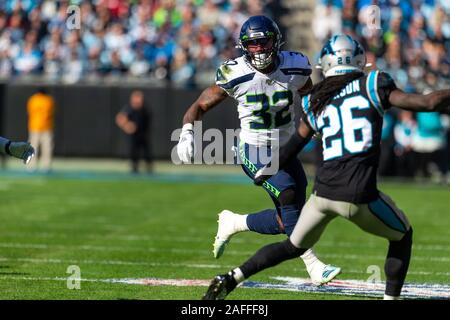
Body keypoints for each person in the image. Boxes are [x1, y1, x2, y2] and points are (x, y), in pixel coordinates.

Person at [202, 34, 450, 300]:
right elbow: (429, 103)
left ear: (326, 63)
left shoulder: (315, 99)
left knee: (292, 245)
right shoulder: (374, 83)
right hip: (359, 195)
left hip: (322, 196)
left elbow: (296, 143)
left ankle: (230, 278)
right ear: (359, 60)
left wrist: (268, 169)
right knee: (402, 235)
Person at [176, 15, 340, 285]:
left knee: (288, 217)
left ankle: (234, 222)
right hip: (252, 148)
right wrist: (187, 133)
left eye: (264, 42)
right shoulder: (235, 73)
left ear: (276, 42)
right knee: (287, 195)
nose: (259, 49)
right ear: (244, 47)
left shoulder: (296, 66)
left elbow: (309, 94)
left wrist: (316, 116)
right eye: (252, 44)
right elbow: (200, 105)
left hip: (285, 149)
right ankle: (314, 265)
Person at [116, 90, 153, 174]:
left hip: (143, 134)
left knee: (147, 153)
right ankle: (134, 168)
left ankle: (149, 168)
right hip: (134, 136)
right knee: (134, 153)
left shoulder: (146, 109)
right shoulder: (129, 109)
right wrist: (127, 126)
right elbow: (120, 118)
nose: (136, 102)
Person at [27, 87, 55, 172]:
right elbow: (49, 113)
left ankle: (31, 166)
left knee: (33, 147)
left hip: (34, 127)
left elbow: (29, 111)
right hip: (46, 127)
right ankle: (46, 166)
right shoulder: (49, 100)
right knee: (47, 148)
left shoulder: (32, 99)